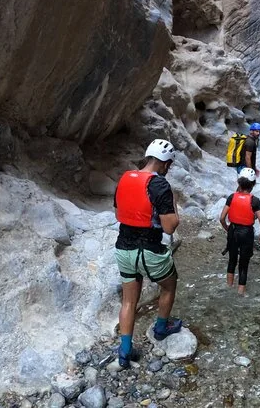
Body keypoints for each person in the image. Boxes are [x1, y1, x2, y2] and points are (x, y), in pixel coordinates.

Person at [113, 139, 182, 368]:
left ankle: (125, 351)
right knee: (169, 285)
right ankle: (161, 328)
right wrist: (173, 203)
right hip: (149, 250)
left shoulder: (125, 178)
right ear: (165, 164)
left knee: (128, 301)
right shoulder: (160, 185)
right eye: (168, 165)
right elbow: (170, 227)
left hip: (123, 248)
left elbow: (118, 213)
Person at [219, 167, 260, 296]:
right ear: (253, 184)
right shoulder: (254, 201)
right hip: (246, 233)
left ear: (239, 182)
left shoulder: (231, 197)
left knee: (232, 260)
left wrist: (227, 229)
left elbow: (222, 218)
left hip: (233, 230)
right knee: (243, 264)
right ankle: (240, 294)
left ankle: (229, 287)